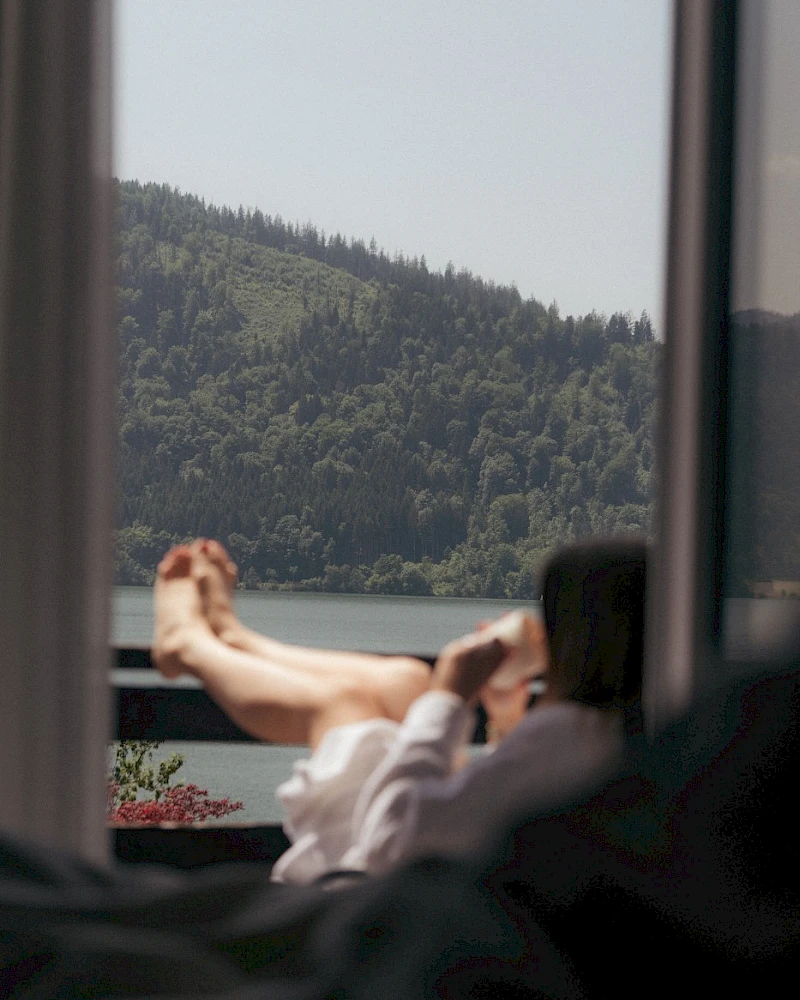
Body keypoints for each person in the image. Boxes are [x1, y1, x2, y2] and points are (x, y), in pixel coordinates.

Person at [153, 539, 643, 884]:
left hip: (373, 900)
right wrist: (507, 723)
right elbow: (508, 815)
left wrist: (450, 699)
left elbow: (392, 840)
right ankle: (234, 637)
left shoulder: (569, 733)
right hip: (443, 896)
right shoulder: (617, 732)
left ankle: (189, 644)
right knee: (406, 681)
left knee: (342, 706)